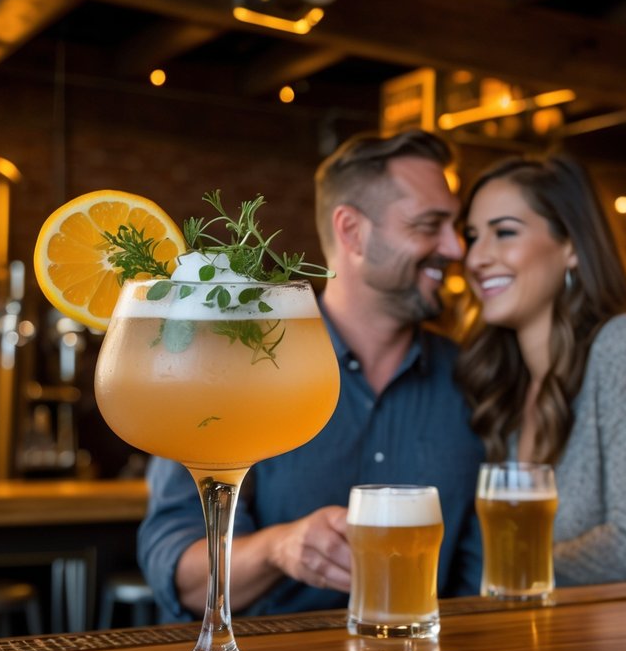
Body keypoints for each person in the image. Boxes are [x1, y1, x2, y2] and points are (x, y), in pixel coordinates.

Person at [137, 129, 486, 622]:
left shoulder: (472, 376)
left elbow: (477, 575)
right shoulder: (235, 365)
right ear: (352, 231)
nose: (456, 248)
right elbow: (176, 571)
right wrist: (278, 548)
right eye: (430, 225)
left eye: (456, 227)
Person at [458, 155, 626, 584]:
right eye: (472, 236)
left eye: (504, 232)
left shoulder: (625, 346)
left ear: (572, 246)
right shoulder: (504, 380)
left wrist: (507, 566)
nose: (476, 258)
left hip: (619, 631)